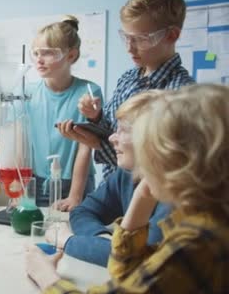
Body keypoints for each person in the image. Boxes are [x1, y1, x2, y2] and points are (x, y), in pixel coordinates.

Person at [25, 83, 229, 294]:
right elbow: (129, 272)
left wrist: (46, 276)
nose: (112, 138)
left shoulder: (198, 240)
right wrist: (143, 194)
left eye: (155, 143)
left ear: (182, 157)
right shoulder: (201, 217)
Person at [58, 0, 194, 179]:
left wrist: (98, 144)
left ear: (171, 35)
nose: (130, 48)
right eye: (126, 38)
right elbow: (112, 130)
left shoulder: (181, 95)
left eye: (141, 39)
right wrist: (96, 118)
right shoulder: (128, 78)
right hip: (112, 191)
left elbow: (161, 169)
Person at [51, 91, 171, 267]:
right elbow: (82, 212)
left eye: (123, 130)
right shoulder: (127, 174)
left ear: (150, 139)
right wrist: (104, 241)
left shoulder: (174, 196)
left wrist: (69, 241)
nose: (112, 138)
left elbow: (140, 261)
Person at [26, 16, 102, 211]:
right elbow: (21, 145)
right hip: (35, 182)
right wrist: (18, 190)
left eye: (49, 53)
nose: (39, 60)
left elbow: (86, 147)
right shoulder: (27, 93)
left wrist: (75, 197)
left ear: (71, 55)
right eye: (36, 53)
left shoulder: (88, 91)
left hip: (75, 184)